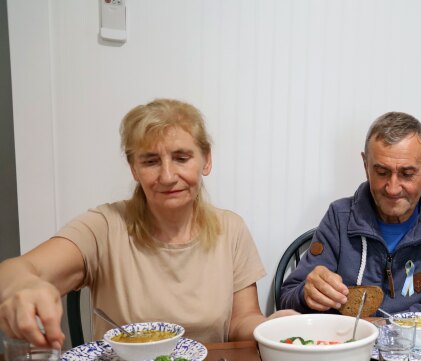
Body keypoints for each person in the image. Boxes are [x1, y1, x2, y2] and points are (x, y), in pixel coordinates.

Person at [0, 98, 292, 348]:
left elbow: (241, 320)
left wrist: (268, 328)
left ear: (206, 160)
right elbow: (16, 271)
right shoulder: (104, 227)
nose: (167, 176)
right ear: (134, 169)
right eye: (151, 161)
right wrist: (21, 285)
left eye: (181, 157)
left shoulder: (231, 229)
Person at [279, 111, 421, 321]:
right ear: (365, 164)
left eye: (407, 174)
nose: (393, 188)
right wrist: (306, 294)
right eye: (381, 172)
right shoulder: (339, 218)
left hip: (420, 359)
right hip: (351, 358)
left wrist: (403, 323)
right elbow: (286, 299)